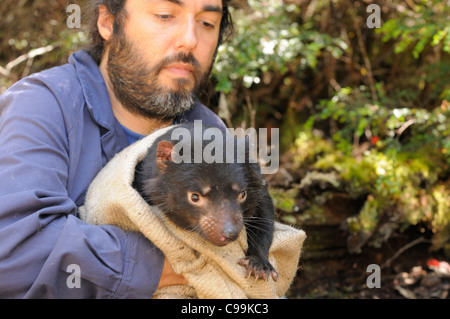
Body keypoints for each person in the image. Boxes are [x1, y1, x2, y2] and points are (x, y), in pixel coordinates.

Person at [0, 0, 233, 298]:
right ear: (108, 22)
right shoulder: (42, 106)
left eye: (207, 24)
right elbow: (12, 253)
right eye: (165, 15)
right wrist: (160, 266)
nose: (190, 39)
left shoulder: (209, 131)